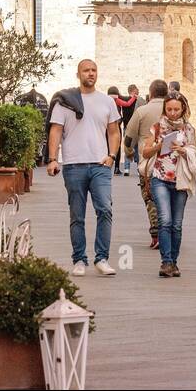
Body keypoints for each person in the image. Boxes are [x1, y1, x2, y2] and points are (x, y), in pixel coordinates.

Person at [47, 59, 121, 277]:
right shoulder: (65, 102)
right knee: (77, 215)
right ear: (78, 74)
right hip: (73, 165)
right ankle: (79, 259)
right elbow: (56, 131)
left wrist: (112, 156)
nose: (91, 73)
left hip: (100, 165)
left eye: (94, 70)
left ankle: (102, 258)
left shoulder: (107, 101)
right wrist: (53, 159)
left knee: (105, 209)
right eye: (86, 70)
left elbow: (114, 131)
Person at [142, 92, 196, 278]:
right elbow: (145, 153)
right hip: (160, 178)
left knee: (177, 224)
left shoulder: (189, 130)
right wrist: (159, 146)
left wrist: (183, 151)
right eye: (169, 109)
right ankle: (165, 262)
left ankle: (174, 262)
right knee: (165, 220)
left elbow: (195, 154)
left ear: (183, 109)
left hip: (180, 180)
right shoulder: (157, 127)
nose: (173, 113)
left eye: (176, 109)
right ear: (164, 109)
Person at [123, 78, 168, 248]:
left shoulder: (142, 111)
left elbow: (129, 136)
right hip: (170, 161)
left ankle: (156, 233)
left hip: (148, 162)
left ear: (151, 93)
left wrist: (129, 152)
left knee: (150, 197)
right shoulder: (174, 109)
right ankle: (169, 230)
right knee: (169, 197)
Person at [113, 86, 139, 175]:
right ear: (133, 91)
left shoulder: (123, 99)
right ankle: (139, 169)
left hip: (126, 126)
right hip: (135, 127)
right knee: (137, 147)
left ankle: (127, 169)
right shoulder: (137, 100)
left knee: (127, 147)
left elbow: (125, 103)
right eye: (137, 90)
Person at [107, 86, 125, 174]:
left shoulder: (105, 101)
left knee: (107, 146)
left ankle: (106, 165)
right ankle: (116, 168)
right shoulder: (118, 101)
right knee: (117, 146)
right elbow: (127, 104)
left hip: (107, 127)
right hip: (117, 126)